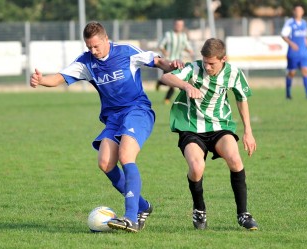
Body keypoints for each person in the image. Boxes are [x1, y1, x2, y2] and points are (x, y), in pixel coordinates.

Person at [30, 21, 183, 233]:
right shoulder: (86, 62)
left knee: (126, 156)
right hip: (113, 118)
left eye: (96, 46)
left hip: (137, 110)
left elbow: (156, 61)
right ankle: (143, 206)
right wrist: (41, 80)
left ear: (106, 39)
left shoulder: (126, 52)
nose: (93, 51)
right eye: (89, 47)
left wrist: (171, 65)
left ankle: (131, 218)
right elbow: (60, 78)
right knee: (105, 163)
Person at [160, 38, 258, 230]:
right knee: (197, 168)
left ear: (224, 59)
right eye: (205, 61)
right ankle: (199, 210)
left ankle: (243, 214)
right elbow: (166, 77)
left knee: (235, 160)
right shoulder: (194, 68)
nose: (207, 66)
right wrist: (186, 86)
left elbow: (241, 99)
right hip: (191, 127)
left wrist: (248, 131)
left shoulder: (234, 73)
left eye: (212, 63)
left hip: (220, 126)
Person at [281, 4, 307, 100]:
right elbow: (284, 35)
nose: (298, 12)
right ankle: (288, 94)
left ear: (303, 12)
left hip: (304, 53)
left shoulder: (304, 23)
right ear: (294, 12)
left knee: (306, 71)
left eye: (300, 11)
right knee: (292, 73)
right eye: (297, 10)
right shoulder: (290, 23)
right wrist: (292, 44)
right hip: (293, 53)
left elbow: (305, 37)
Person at [156, 19, 194, 104]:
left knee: (174, 81)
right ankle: (162, 87)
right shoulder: (168, 34)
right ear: (174, 25)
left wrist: (190, 51)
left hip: (179, 63)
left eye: (181, 25)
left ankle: (167, 98)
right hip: (168, 62)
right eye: (177, 24)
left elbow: (186, 46)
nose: (179, 26)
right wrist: (165, 52)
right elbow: (160, 45)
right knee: (170, 81)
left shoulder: (183, 36)